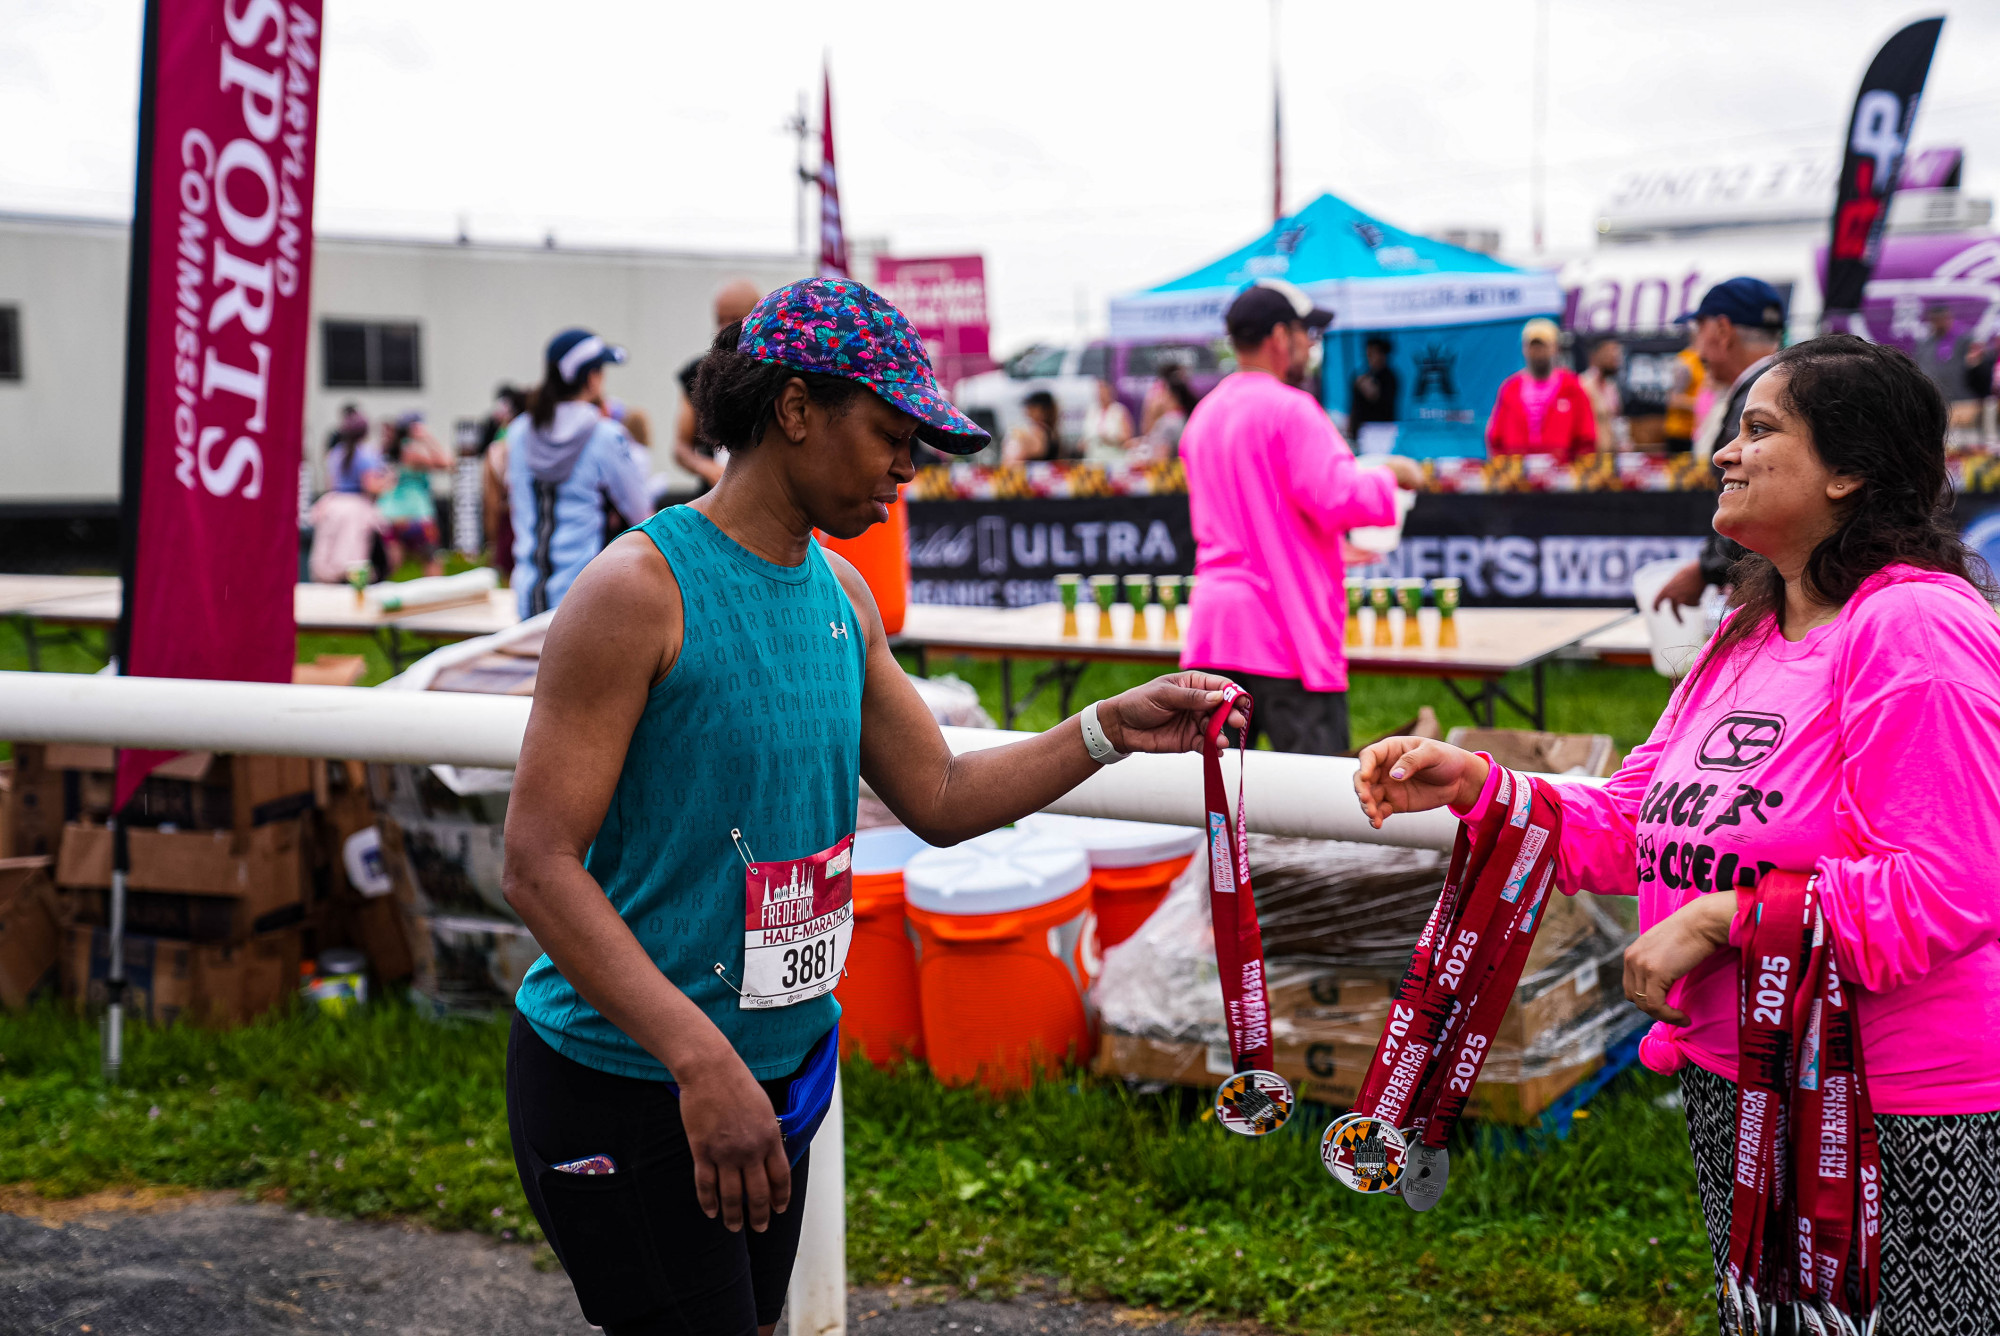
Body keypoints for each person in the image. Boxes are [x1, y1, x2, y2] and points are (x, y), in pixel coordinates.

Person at [500, 277, 1244, 1336]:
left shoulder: (840, 593)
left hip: (776, 1077)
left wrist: (1105, 729)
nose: (907, 468)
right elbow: (536, 863)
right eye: (890, 434)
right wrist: (697, 1058)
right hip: (634, 1079)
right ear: (794, 410)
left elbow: (938, 795)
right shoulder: (638, 589)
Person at [1355, 334, 2000, 1334]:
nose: (1723, 454)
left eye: (1756, 430)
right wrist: (1477, 785)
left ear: (1847, 471)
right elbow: (1630, 822)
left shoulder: (1910, 626)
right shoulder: (1744, 635)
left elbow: (1944, 884)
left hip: (1893, 1106)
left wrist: (1719, 921)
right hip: (1739, 1082)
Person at [1179, 278, 1422, 755]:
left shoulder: (1204, 415)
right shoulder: (1291, 409)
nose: (1311, 346)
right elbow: (1338, 497)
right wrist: (1391, 475)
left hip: (1214, 634)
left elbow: (1266, 515)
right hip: (1284, 633)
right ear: (1278, 336)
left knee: (1216, 803)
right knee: (1315, 812)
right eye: (1306, 333)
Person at [1651, 278, 1789, 615]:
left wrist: (1707, 568)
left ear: (1722, 330)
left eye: (1699, 329)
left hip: (1772, 591)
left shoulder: (1757, 399)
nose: (1697, 351)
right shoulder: (1786, 388)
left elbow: (1760, 503)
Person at [508, 327, 655, 617]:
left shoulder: (518, 432)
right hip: (579, 599)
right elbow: (641, 513)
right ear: (591, 378)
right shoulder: (605, 435)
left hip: (525, 593)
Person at [675, 280, 764, 491]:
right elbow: (680, 447)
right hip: (715, 493)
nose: (724, 329)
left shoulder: (770, 372)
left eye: (734, 319)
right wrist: (706, 467)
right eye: (719, 319)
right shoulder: (698, 372)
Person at [1485, 318, 1596, 461]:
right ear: (1524, 349)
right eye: (1533, 347)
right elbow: (1495, 437)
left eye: (1543, 346)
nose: (1538, 352)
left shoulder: (1572, 387)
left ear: (1556, 348)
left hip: (1561, 476)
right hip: (1518, 476)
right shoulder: (1510, 388)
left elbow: (1587, 438)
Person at [307, 406, 388, 584]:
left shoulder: (335, 453)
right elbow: (370, 484)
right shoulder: (367, 453)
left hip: (334, 504)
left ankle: (329, 579)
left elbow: (330, 483)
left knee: (330, 550)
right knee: (352, 552)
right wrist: (387, 482)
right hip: (355, 507)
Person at [375, 412, 452, 577]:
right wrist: (428, 438)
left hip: (389, 515)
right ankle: (434, 601)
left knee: (392, 567)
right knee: (432, 562)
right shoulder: (411, 452)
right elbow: (446, 463)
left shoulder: (387, 451)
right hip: (416, 515)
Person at [482, 385, 528, 578]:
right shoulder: (548, 445)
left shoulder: (498, 450)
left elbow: (491, 501)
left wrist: (492, 539)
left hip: (511, 518)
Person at [1134, 364, 1198, 461]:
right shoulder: (1186, 417)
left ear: (1171, 396)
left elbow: (1161, 458)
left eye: (1163, 394)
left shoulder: (1168, 422)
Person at [1577, 336, 1624, 450]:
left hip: (1609, 458)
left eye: (1617, 351)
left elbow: (1616, 421)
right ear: (1594, 356)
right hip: (1589, 458)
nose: (1615, 356)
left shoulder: (1611, 387)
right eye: (1609, 351)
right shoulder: (1582, 385)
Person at [1346, 336, 1399, 433]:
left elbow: (1374, 395)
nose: (1369, 357)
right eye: (1368, 354)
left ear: (1381, 354)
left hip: (1381, 430)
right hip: (1362, 430)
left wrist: (1363, 383)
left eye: (1372, 353)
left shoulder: (1389, 377)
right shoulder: (1363, 373)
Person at [1663, 340, 1705, 453]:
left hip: (1697, 431)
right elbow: (1673, 399)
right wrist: (1704, 404)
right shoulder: (1686, 362)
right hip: (1680, 433)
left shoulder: (1704, 360)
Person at [1079, 377, 1134, 463]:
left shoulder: (1119, 410)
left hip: (1115, 459)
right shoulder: (1091, 410)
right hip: (1093, 459)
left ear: (1110, 392)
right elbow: (1085, 437)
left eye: (1103, 390)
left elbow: (1128, 439)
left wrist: (1110, 438)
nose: (1101, 394)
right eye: (1099, 391)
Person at [1001, 389, 1063, 463]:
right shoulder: (1050, 431)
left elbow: (1037, 450)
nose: (1026, 410)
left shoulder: (1040, 431)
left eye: (1030, 407)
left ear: (1041, 409)